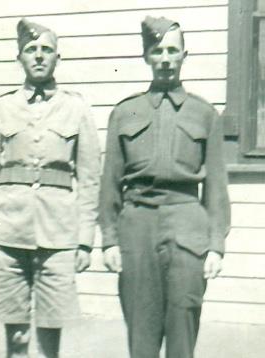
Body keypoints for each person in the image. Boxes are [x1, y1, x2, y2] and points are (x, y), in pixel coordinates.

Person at [99, 16, 230, 358]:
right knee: (141, 335)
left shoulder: (205, 114)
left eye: (173, 50)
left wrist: (216, 245)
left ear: (185, 55)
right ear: (146, 56)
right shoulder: (125, 112)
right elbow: (109, 183)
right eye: (158, 51)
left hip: (187, 226)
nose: (166, 59)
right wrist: (110, 239)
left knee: (183, 330)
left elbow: (216, 188)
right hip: (136, 227)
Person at [0, 18, 100, 358]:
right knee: (15, 339)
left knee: (49, 338)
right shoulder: (1, 107)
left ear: (58, 58)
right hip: (6, 233)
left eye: (46, 50)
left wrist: (85, 240)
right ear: (20, 59)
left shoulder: (76, 108)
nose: (39, 56)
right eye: (31, 50)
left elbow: (89, 180)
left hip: (58, 235)